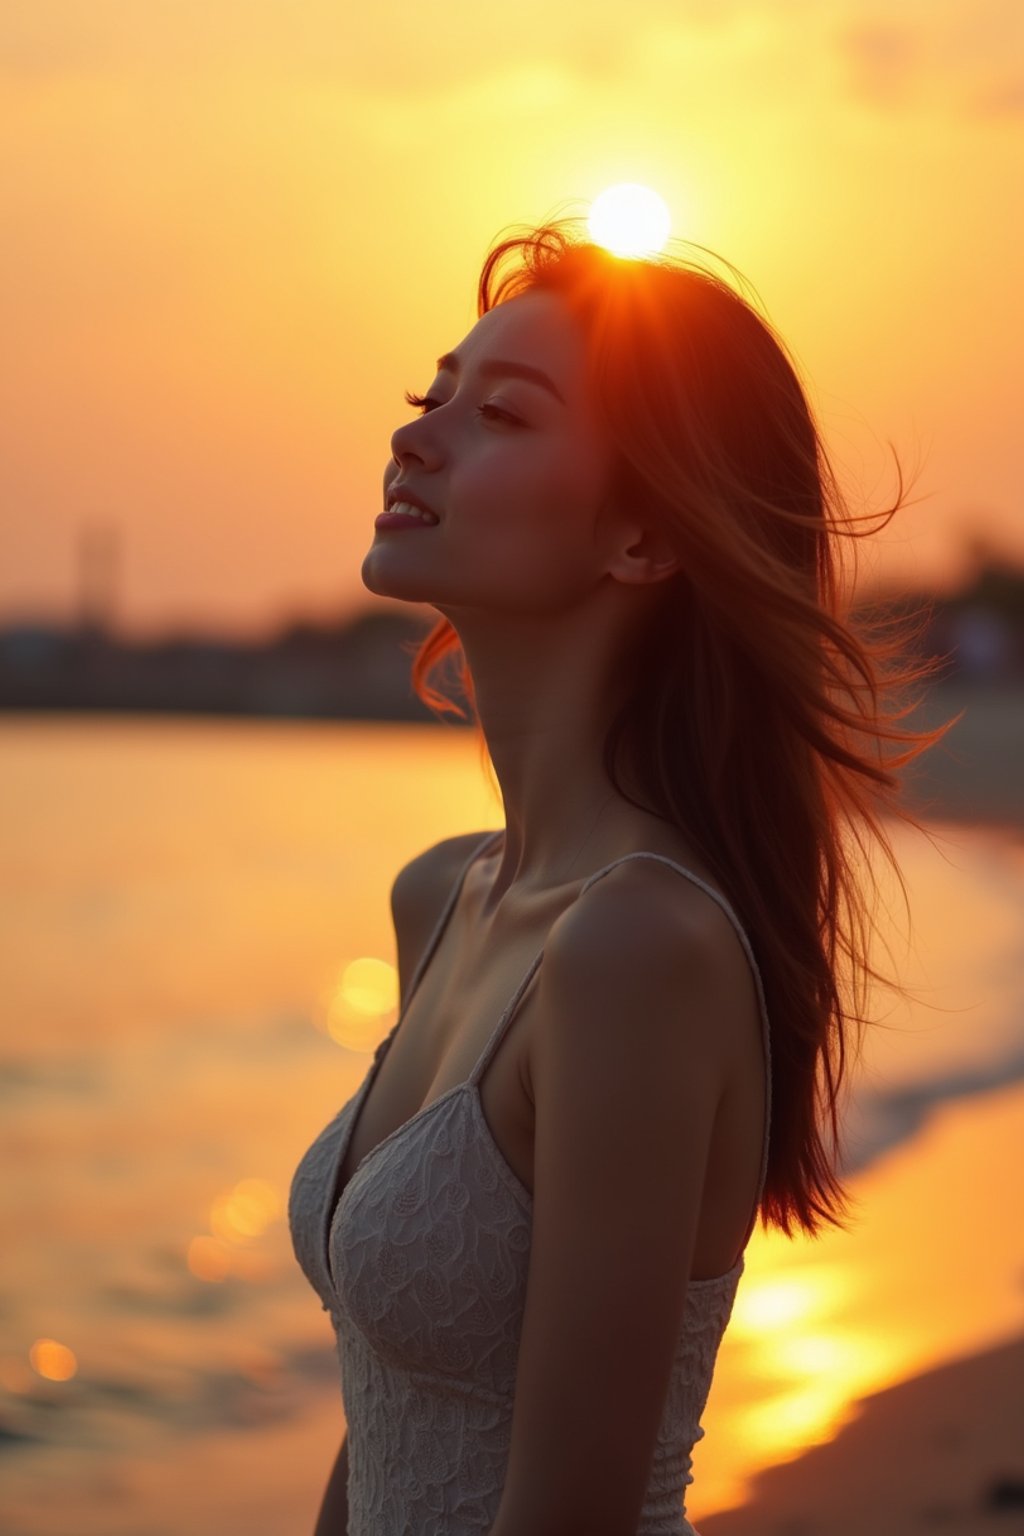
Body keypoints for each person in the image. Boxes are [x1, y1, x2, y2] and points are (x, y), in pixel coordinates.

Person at [288, 219, 956, 1535]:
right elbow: (384, 1430)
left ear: (644, 541)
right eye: (432, 398)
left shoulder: (637, 950)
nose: (417, 436)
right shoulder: (444, 900)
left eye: (504, 416)